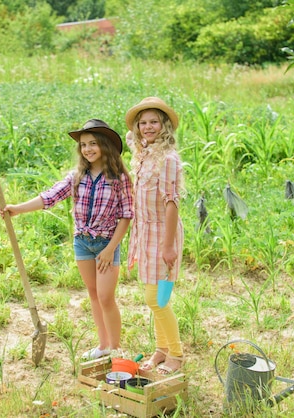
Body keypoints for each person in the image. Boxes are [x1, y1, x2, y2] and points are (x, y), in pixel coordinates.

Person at [0, 119, 134, 360]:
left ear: (105, 145)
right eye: (83, 145)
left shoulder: (119, 177)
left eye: (93, 143)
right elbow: (50, 197)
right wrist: (17, 209)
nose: (87, 149)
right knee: (93, 294)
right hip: (82, 242)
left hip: (105, 243)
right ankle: (103, 345)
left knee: (106, 296)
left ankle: (116, 349)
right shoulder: (77, 176)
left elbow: (126, 215)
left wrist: (111, 248)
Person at [125, 97, 185, 375]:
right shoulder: (144, 155)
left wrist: (168, 245)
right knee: (155, 296)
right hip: (145, 232)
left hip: (163, 232)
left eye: (154, 122)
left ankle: (177, 354)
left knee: (157, 298)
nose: (148, 127)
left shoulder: (169, 159)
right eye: (144, 122)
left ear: (164, 126)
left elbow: (172, 202)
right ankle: (161, 349)